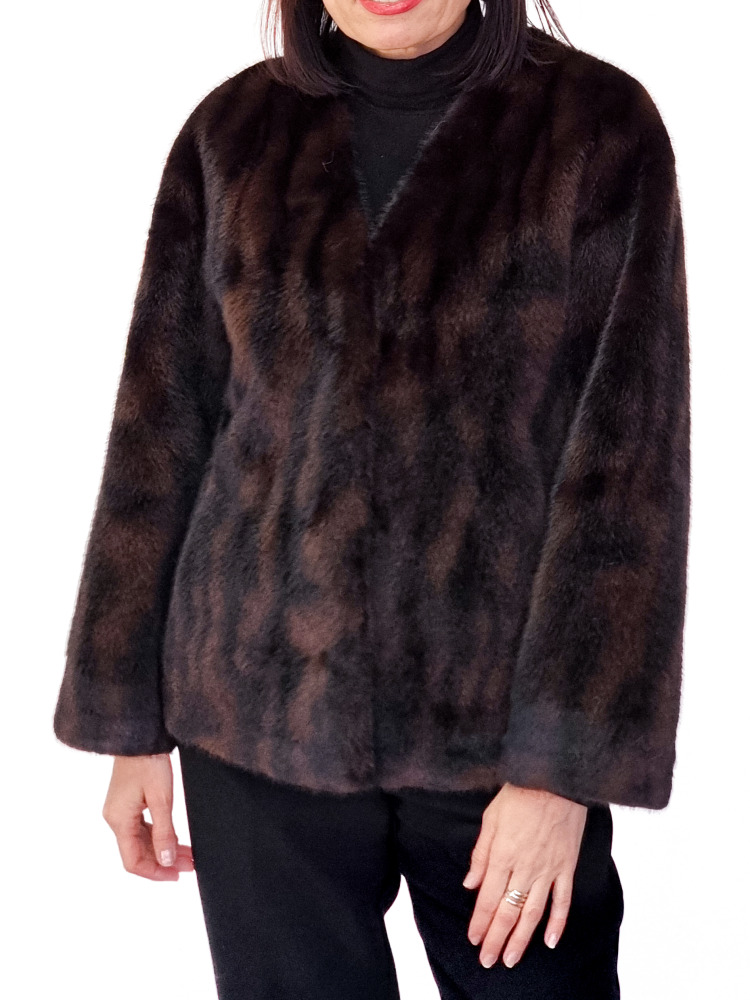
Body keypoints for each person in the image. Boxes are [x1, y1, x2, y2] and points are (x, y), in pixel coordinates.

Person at [52, 0, 690, 997]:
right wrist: (127, 721)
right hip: (252, 722)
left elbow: (627, 468)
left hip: (498, 737)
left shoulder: (596, 127)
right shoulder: (231, 133)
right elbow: (157, 435)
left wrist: (562, 770)